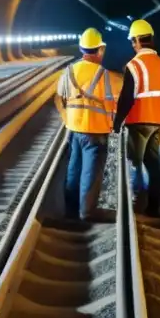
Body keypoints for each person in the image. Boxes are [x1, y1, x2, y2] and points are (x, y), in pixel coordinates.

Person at [55, 27, 121, 221]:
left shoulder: (69, 71)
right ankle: (87, 214)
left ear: (82, 49)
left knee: (74, 170)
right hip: (96, 133)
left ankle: (70, 212)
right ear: (100, 50)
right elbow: (118, 102)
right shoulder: (106, 76)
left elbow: (58, 98)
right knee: (90, 176)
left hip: (75, 130)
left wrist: (66, 117)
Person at [112, 19, 160, 217]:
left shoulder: (134, 65)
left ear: (139, 40)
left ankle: (135, 204)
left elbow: (126, 98)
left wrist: (117, 122)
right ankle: (153, 207)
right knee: (153, 162)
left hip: (139, 121)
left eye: (133, 41)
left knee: (134, 162)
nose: (133, 45)